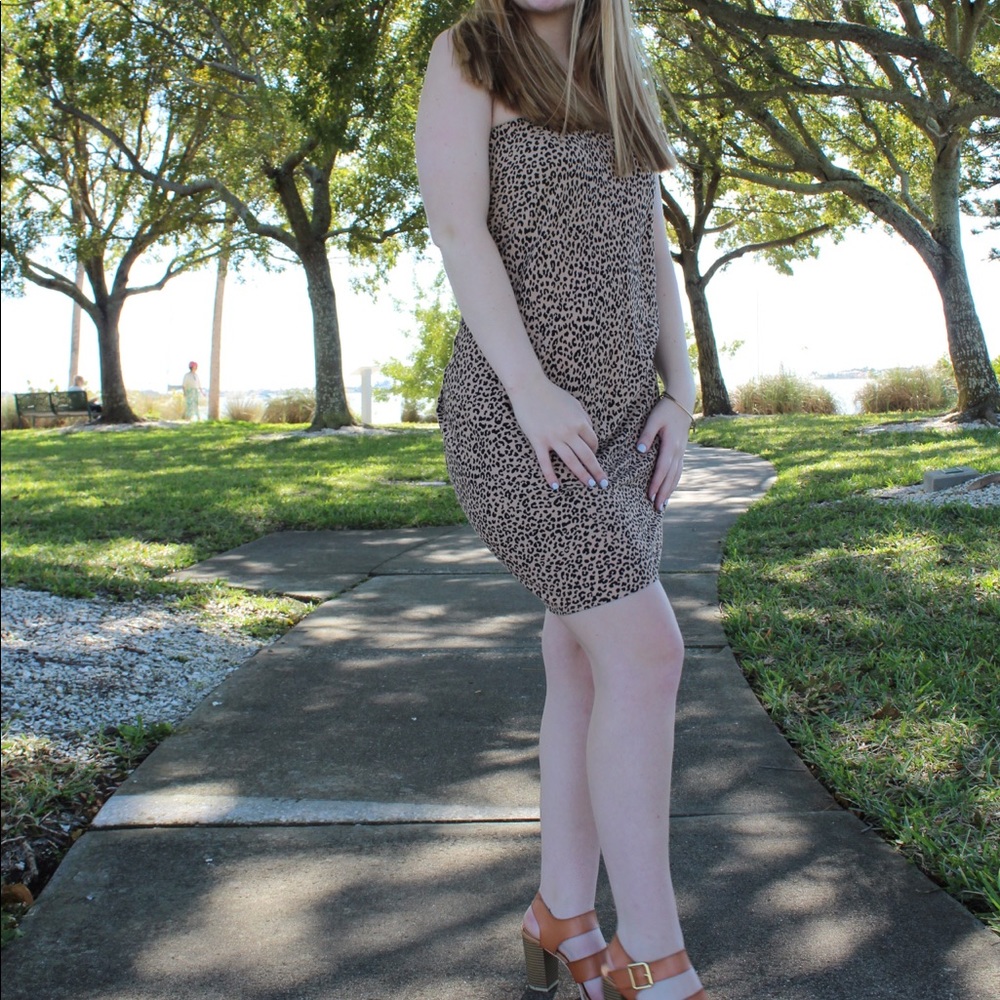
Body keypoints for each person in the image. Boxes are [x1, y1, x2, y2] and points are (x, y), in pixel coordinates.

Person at [416, 2, 703, 999]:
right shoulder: (468, 50)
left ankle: (562, 914)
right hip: (518, 414)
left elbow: (649, 250)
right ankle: (654, 958)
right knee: (647, 651)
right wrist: (532, 388)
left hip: (624, 421)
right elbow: (456, 227)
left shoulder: (618, 62)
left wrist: (680, 390)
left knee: (581, 664)